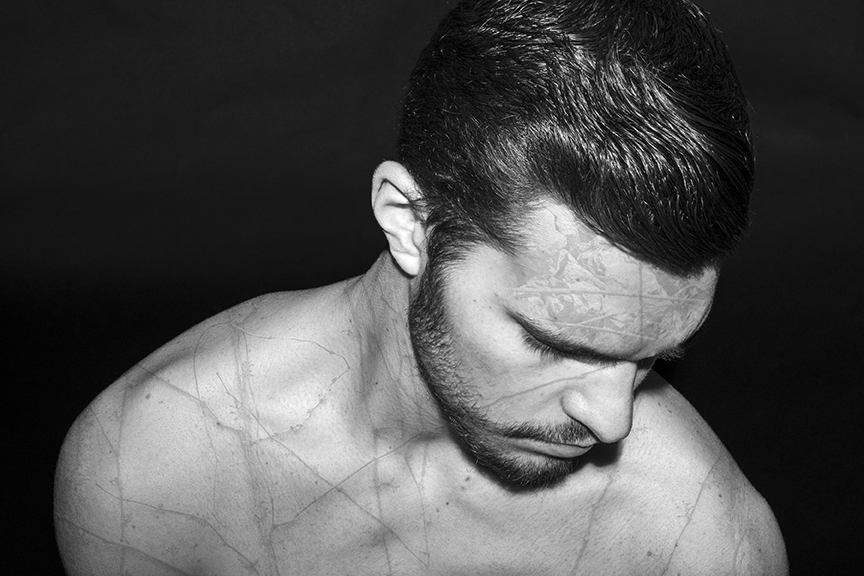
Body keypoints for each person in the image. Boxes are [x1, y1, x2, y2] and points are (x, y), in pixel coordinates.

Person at [54, 0, 789, 574]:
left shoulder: (697, 543)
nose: (611, 422)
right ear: (411, 223)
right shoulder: (148, 472)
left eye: (654, 358)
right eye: (551, 342)